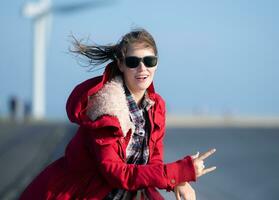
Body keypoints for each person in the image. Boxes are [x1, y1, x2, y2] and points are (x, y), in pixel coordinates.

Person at [19, 28, 216, 200]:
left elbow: (152, 162)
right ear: (121, 64)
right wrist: (181, 171)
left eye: (149, 60)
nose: (142, 68)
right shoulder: (106, 110)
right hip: (83, 194)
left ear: (156, 63)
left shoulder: (156, 107)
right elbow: (115, 173)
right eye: (133, 61)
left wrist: (178, 181)